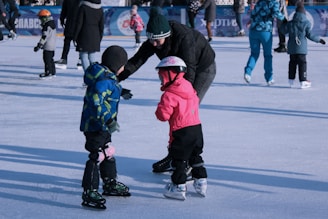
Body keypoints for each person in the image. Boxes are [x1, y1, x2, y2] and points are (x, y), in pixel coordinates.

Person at [116, 8, 216, 173]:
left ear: (167, 35)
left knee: (186, 114)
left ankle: (189, 163)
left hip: (202, 68)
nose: (154, 45)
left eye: (157, 41)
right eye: (151, 41)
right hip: (181, 71)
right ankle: (175, 156)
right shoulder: (154, 39)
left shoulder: (183, 37)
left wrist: (180, 92)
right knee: (176, 117)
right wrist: (119, 76)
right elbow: (138, 60)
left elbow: (190, 68)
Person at [80, 45, 131, 210]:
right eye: (123, 65)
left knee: (108, 150)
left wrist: (121, 91)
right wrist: (108, 120)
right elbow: (96, 101)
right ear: (117, 65)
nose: (123, 68)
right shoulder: (104, 80)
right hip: (96, 126)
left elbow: (110, 88)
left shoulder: (106, 77)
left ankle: (109, 182)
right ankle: (89, 190)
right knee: (97, 155)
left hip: (102, 125)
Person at [155, 56, 207, 200]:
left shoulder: (169, 94)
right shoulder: (190, 88)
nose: (161, 78)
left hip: (181, 131)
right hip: (197, 130)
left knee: (180, 160)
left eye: (162, 75)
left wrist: (160, 107)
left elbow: (163, 116)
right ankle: (201, 181)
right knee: (195, 156)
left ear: (171, 74)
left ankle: (178, 186)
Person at [280, 0, 326, 89]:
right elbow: (310, 35)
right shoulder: (306, 23)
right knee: (302, 64)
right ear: (304, 13)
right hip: (301, 49)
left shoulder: (291, 23)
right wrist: (319, 40)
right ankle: (303, 80)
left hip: (292, 48)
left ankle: (291, 80)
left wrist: (284, 23)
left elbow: (283, 30)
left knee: (292, 63)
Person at [243, 0, 285, 85]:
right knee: (267, 55)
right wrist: (285, 19)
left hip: (254, 31)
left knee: (254, 54)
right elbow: (276, 13)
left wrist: (251, 21)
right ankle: (269, 78)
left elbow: (253, 13)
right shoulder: (273, 2)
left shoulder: (259, 2)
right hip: (265, 31)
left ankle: (248, 72)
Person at [74, 0, 104, 72]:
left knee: (83, 56)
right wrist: (99, 38)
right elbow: (101, 26)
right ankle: (94, 75)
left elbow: (79, 23)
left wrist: (75, 36)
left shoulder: (83, 7)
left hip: (84, 35)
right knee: (92, 56)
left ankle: (88, 76)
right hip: (95, 35)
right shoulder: (100, 9)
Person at [55, 0, 81, 70]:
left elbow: (63, 12)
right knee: (79, 42)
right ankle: (80, 60)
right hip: (78, 24)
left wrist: (62, 20)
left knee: (67, 42)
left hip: (71, 23)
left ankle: (64, 59)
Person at [33, 9, 56, 78]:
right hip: (52, 45)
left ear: (45, 18)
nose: (40, 20)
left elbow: (44, 37)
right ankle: (52, 71)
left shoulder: (46, 26)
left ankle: (48, 72)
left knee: (47, 59)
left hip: (48, 46)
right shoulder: (52, 23)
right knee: (51, 59)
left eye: (41, 18)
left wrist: (39, 45)